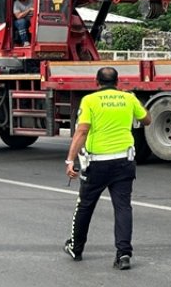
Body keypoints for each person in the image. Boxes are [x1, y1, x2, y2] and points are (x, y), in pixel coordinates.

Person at [63, 67, 151, 269]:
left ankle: (76, 248)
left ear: (97, 82)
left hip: (97, 163)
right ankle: (123, 254)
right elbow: (147, 120)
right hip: (124, 162)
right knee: (123, 207)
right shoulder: (128, 99)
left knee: (85, 205)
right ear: (118, 82)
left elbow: (82, 131)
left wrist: (70, 159)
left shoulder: (90, 101)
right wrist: (136, 102)